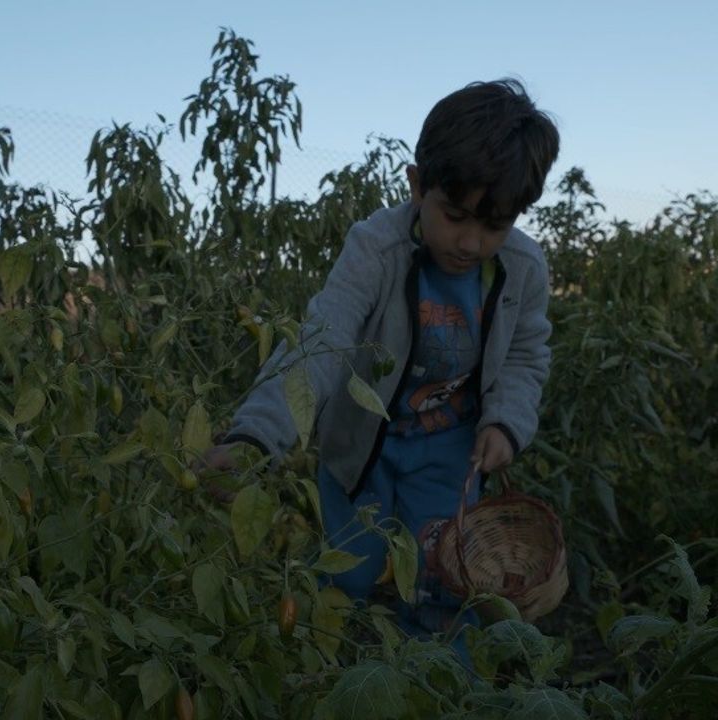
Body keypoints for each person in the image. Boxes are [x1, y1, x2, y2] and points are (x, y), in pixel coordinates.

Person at [202, 79, 559, 652]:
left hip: (450, 453)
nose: (470, 243)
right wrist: (255, 436)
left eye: (493, 226)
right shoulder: (377, 248)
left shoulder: (522, 268)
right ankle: (328, 667)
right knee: (346, 571)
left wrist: (506, 422)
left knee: (444, 582)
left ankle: (445, 681)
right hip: (361, 446)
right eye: (455, 215)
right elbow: (324, 338)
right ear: (417, 186)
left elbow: (525, 353)